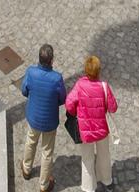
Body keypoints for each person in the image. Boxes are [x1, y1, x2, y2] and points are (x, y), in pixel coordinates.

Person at [65, 56, 117, 192]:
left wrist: (77, 112)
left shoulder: (80, 85)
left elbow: (69, 104)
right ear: (98, 71)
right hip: (102, 131)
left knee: (87, 159)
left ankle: (88, 188)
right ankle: (107, 181)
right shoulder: (104, 87)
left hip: (85, 131)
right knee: (104, 155)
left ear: (86, 70)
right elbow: (113, 108)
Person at [20, 43, 67, 187]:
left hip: (34, 117)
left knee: (30, 141)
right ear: (51, 60)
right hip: (49, 121)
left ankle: (27, 169)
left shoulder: (30, 72)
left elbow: (24, 90)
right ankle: (44, 185)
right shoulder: (57, 78)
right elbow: (62, 98)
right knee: (47, 152)